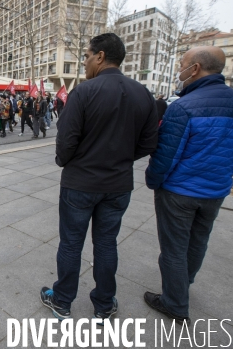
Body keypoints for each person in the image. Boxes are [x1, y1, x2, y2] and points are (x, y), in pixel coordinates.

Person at [40, 33, 158, 321]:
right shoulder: (142, 93)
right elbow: (149, 141)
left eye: (86, 56)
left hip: (80, 183)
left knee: (71, 243)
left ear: (100, 56)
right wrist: (121, 159)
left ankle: (63, 301)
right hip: (118, 185)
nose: (84, 62)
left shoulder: (84, 92)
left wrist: (65, 161)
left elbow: (66, 140)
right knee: (106, 243)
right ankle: (104, 304)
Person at [144, 46, 233, 324]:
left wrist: (153, 181)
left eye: (182, 64)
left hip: (180, 191)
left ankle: (174, 303)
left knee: (174, 248)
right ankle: (184, 284)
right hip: (216, 190)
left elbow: (166, 155)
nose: (179, 69)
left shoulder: (183, 107)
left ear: (194, 69)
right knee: (198, 241)